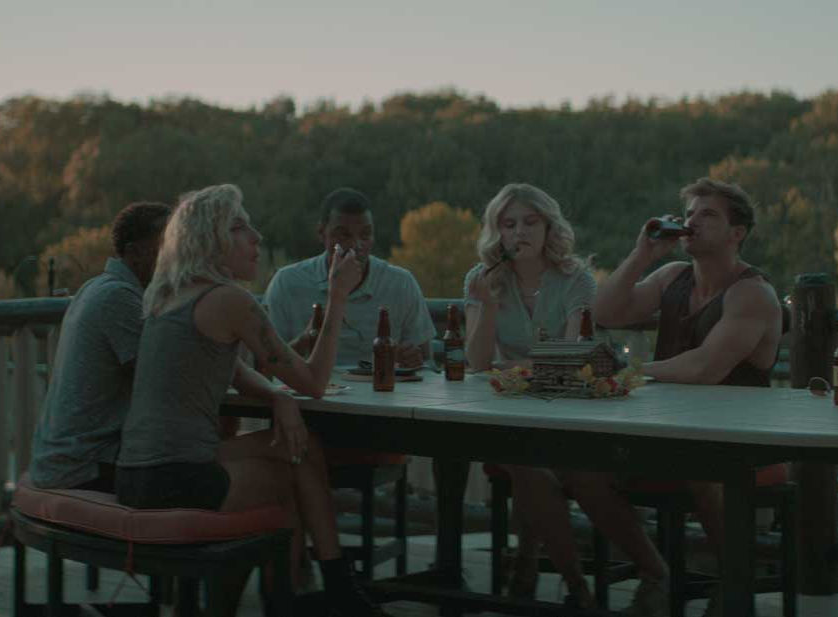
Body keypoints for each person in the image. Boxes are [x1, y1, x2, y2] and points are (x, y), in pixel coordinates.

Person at [113, 184, 387, 617]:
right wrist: (337, 297)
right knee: (290, 481)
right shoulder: (229, 300)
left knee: (302, 446)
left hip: (138, 472)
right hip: (177, 479)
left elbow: (238, 373)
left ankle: (324, 590)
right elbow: (314, 382)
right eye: (240, 227)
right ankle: (306, 596)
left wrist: (279, 397)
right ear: (210, 241)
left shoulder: (167, 296)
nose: (256, 237)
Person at [574, 177, 783, 617]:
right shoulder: (672, 276)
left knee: (702, 465)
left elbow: (705, 368)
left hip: (739, 440)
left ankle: (733, 582)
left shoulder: (753, 293)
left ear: (737, 233)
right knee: (578, 467)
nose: (692, 222)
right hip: (668, 430)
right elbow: (606, 313)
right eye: (689, 214)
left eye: (707, 214)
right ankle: (655, 571)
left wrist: (629, 372)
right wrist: (642, 254)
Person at [462, 183, 599, 607]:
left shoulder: (576, 278)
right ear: (496, 232)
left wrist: (517, 367)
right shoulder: (481, 279)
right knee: (525, 464)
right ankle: (575, 584)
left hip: (564, 411)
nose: (519, 232)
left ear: (547, 227)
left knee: (532, 465)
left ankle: (527, 558)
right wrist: (485, 307)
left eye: (529, 222)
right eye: (508, 224)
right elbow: (479, 363)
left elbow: (573, 357)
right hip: (506, 411)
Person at [29, 201, 171, 491]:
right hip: (84, 466)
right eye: (168, 244)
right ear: (134, 252)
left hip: (61, 461)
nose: (178, 254)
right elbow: (165, 380)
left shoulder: (95, 287)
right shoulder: (118, 299)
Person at [265, 187, 435, 369]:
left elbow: (428, 362)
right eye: (343, 235)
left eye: (365, 234)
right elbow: (265, 364)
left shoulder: (400, 283)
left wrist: (412, 360)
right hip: (311, 394)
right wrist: (306, 339)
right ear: (321, 233)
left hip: (381, 393)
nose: (355, 245)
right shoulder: (287, 283)